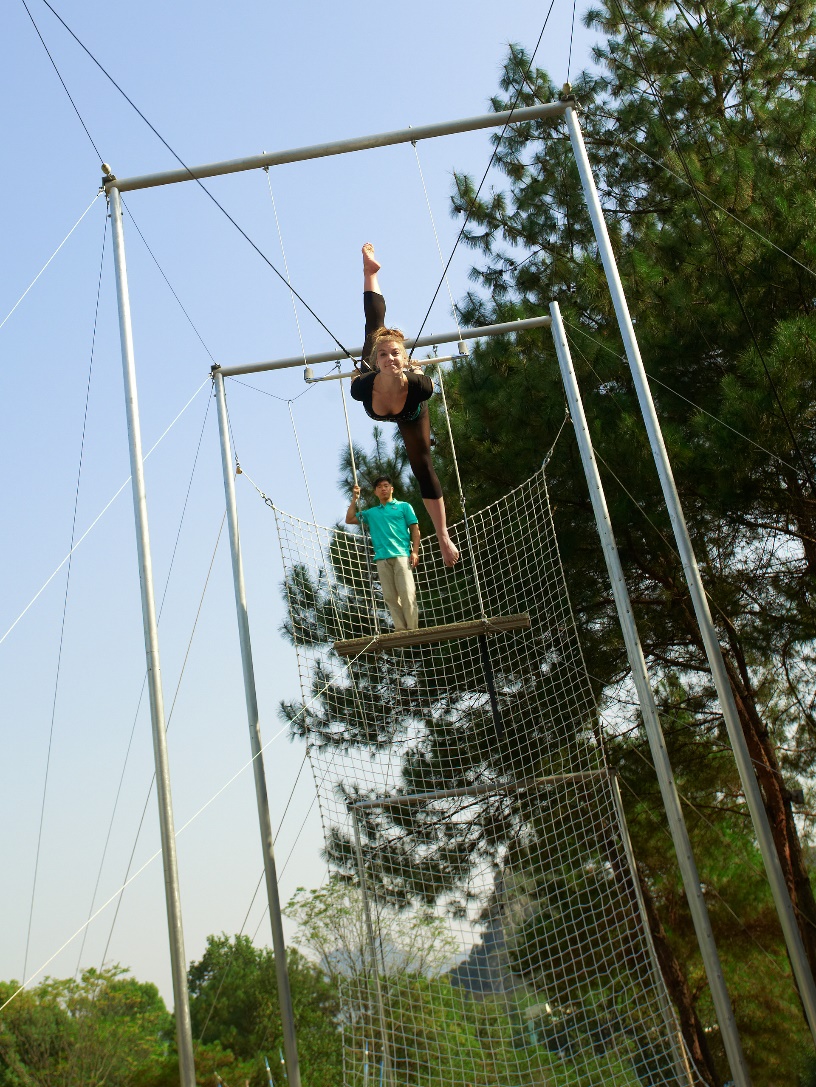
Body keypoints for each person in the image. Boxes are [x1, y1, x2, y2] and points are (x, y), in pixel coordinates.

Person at [350, 243, 460, 567]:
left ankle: (442, 535)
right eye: (383, 355)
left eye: (396, 353)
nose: (389, 358)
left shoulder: (419, 386)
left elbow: (417, 376)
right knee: (374, 327)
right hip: (377, 396)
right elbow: (359, 380)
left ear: (405, 358)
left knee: (422, 464)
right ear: (377, 361)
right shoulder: (365, 383)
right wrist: (361, 372)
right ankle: (369, 272)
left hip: (411, 414)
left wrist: (415, 371)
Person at [346, 476, 420, 631]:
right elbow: (350, 519)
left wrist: (414, 552)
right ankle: (401, 629)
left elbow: (415, 530)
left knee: (407, 593)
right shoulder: (372, 513)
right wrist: (354, 498)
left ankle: (412, 629)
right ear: (375, 492)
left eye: (386, 485)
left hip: (401, 555)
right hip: (381, 558)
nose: (383, 489)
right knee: (390, 597)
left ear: (391, 489)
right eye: (379, 487)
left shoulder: (404, 507)